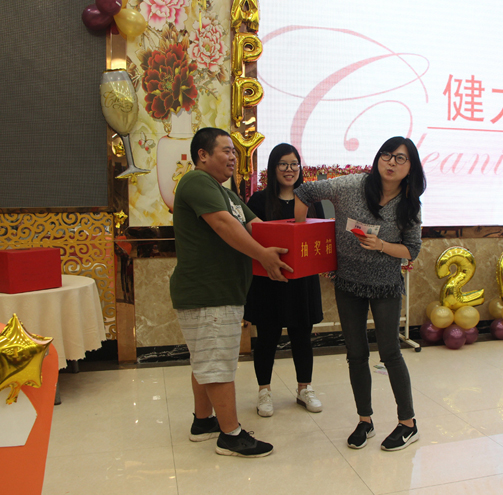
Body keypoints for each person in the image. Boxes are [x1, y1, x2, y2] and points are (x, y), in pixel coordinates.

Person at [294, 136, 426, 451]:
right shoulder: (352, 185)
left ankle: (408, 424)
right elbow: (305, 192)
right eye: (386, 155)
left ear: (410, 168)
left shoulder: (409, 204)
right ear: (377, 158)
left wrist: (382, 245)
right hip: (348, 283)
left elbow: (412, 249)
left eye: (400, 158)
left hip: (385, 285)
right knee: (355, 354)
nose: (391, 162)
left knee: (390, 353)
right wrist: (302, 233)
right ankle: (365, 421)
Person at [170, 127, 293, 458]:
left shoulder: (225, 193)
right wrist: (263, 255)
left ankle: (203, 422)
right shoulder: (196, 181)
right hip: (208, 292)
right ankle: (231, 435)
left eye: (234, 152)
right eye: (225, 150)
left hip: (223, 291)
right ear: (203, 155)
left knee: (206, 360)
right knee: (217, 364)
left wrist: (295, 247)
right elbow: (225, 226)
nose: (232, 157)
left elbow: (256, 226)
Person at [244, 143, 324, 417]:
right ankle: (264, 391)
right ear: (273, 167)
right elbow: (250, 239)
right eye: (283, 164)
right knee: (267, 337)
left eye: (294, 164)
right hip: (269, 280)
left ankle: (304, 389)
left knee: (302, 336)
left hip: (303, 281)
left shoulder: (310, 201)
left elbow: (319, 237)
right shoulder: (258, 201)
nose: (289, 170)